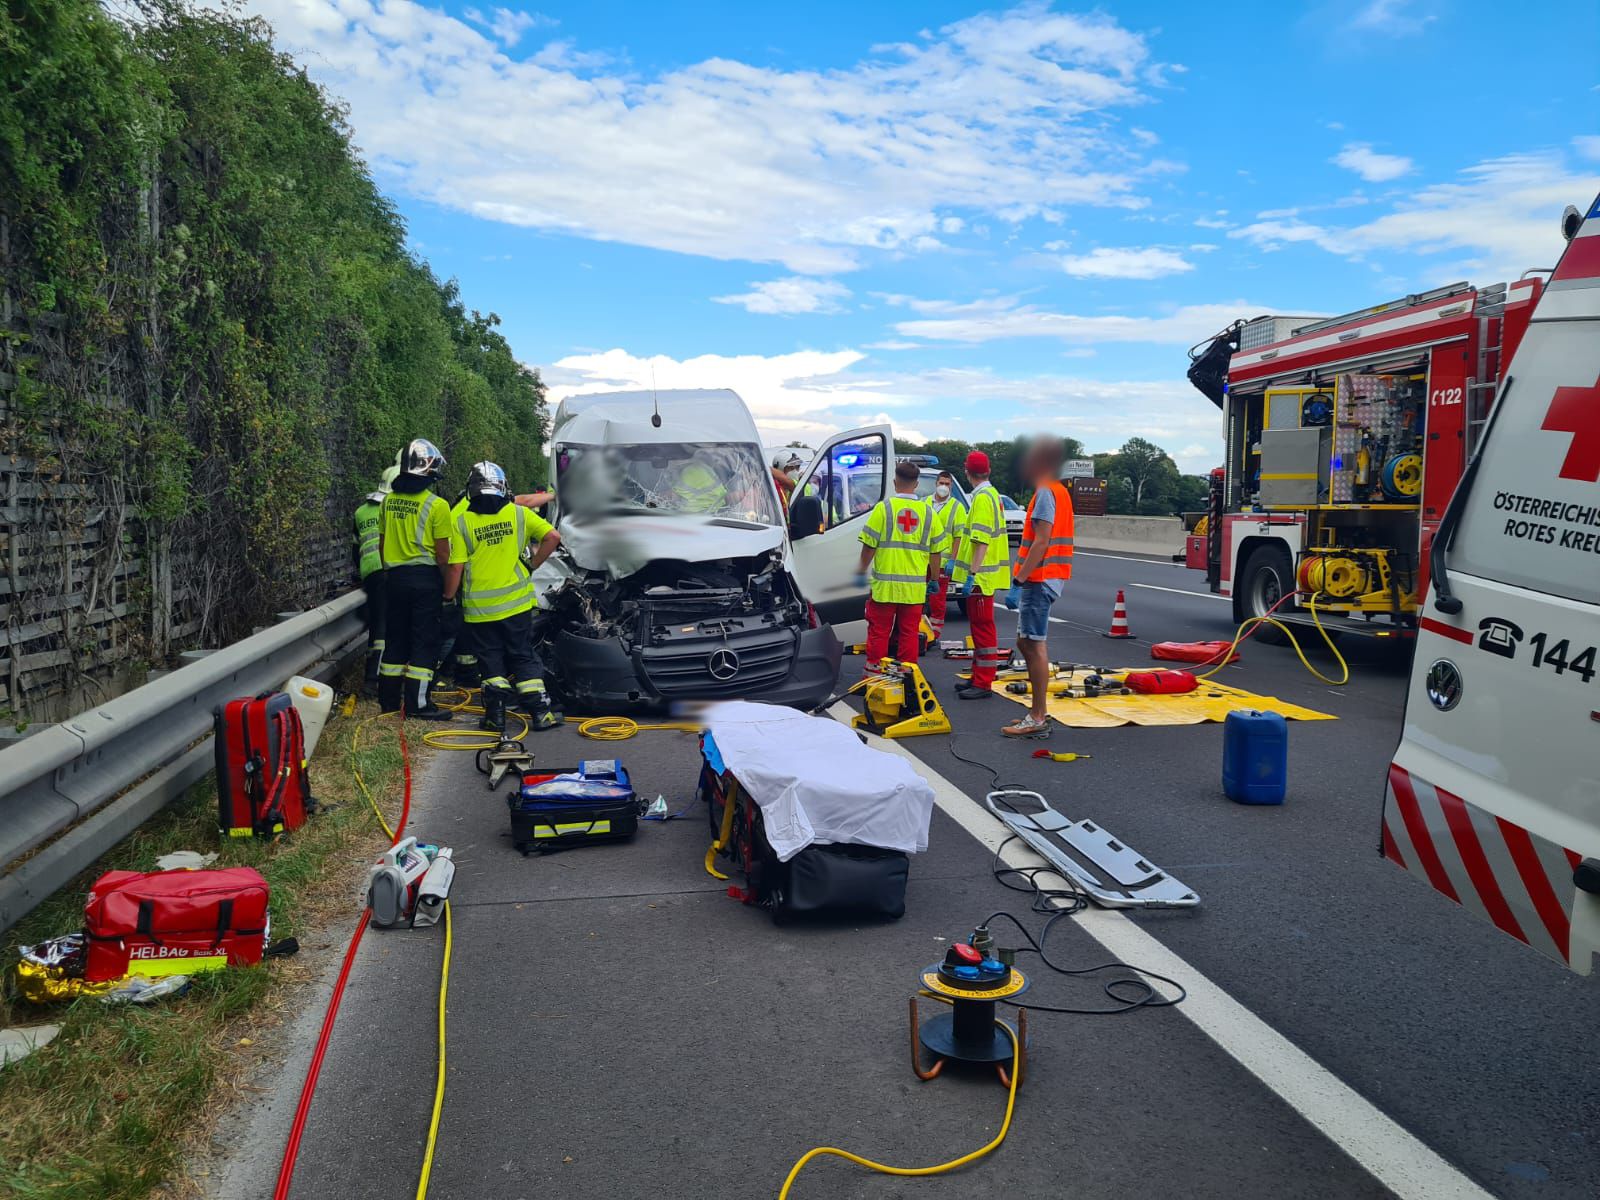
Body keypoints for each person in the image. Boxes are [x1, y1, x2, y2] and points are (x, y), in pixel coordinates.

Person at [452, 461, 564, 735]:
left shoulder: (461, 521)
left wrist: (448, 595)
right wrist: (533, 565)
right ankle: (541, 713)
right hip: (516, 605)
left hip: (479, 609)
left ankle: (495, 718)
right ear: (503, 487)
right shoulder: (519, 514)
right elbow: (553, 536)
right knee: (522, 655)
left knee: (490, 660)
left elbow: (455, 567)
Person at [377, 438, 460, 720]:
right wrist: (445, 588)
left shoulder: (388, 501)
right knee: (425, 642)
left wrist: (391, 572)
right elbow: (442, 555)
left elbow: (382, 543)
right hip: (425, 579)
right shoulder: (437, 506)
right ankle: (418, 705)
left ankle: (388, 702)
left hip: (395, 578)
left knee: (395, 640)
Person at [1002, 436, 1074, 738]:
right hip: (1045, 577)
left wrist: (1019, 580)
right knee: (1026, 642)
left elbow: (1041, 540)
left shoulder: (1046, 492)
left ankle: (1037, 715)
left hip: (1040, 577)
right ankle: (1037, 712)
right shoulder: (1057, 490)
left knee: (1033, 644)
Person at [854, 459, 944, 673]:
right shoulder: (929, 513)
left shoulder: (883, 509)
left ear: (895, 482)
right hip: (913, 589)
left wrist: (860, 571)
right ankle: (907, 680)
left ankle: (874, 678)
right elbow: (936, 552)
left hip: (885, 588)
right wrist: (933, 580)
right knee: (909, 634)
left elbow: (869, 546)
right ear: (917, 484)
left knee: (879, 632)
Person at [954, 451, 1011, 700]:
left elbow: (981, 540)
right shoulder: (991, 495)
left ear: (968, 473)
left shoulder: (982, 499)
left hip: (980, 578)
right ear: (988, 471)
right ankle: (978, 676)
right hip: (984, 576)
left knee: (983, 630)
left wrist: (972, 574)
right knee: (979, 629)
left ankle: (983, 682)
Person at [352, 466, 398, 686]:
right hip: (389, 569)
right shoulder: (393, 509)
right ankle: (374, 677)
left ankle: (373, 674)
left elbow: (354, 548)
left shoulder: (361, 511)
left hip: (369, 572)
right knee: (384, 625)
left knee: (378, 622)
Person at [924, 470, 967, 642]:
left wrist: (952, 559)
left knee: (938, 600)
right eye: (941, 483)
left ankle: (934, 634)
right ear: (936, 483)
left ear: (951, 486)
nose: (943, 486)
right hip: (922, 560)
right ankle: (919, 631)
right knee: (918, 598)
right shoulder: (925, 502)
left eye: (947, 484)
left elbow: (958, 536)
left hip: (942, 561)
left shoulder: (957, 507)